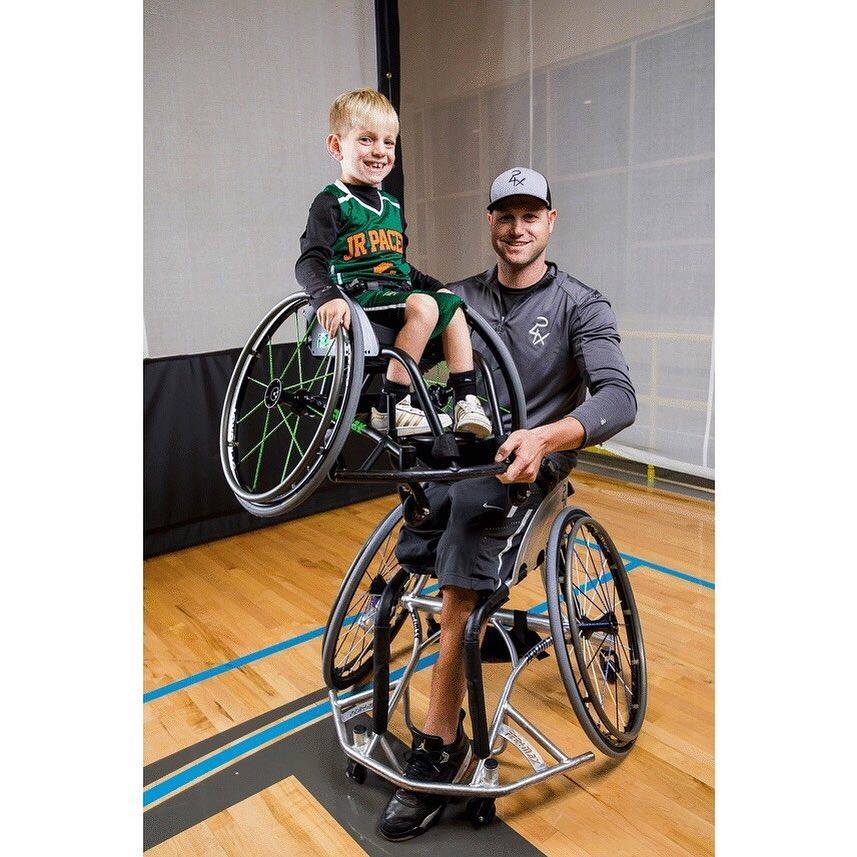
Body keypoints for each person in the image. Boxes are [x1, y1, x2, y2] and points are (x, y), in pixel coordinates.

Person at [378, 167, 638, 841]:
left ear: (550, 222)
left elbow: (616, 397)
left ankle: (442, 743)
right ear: (489, 222)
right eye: (504, 215)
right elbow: (402, 333)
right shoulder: (457, 297)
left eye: (530, 215)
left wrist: (544, 434)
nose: (516, 227)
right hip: (465, 462)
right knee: (422, 518)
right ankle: (447, 631)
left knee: (462, 560)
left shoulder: (583, 304)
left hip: (531, 469)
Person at [295, 88, 491, 438]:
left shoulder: (392, 206)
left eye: (388, 142)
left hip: (395, 296)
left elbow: (401, 267)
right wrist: (326, 296)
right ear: (337, 146)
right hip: (358, 301)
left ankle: (466, 400)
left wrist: (435, 285)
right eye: (367, 139)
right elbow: (309, 261)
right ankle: (392, 406)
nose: (380, 152)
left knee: (452, 304)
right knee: (425, 306)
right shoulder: (331, 202)